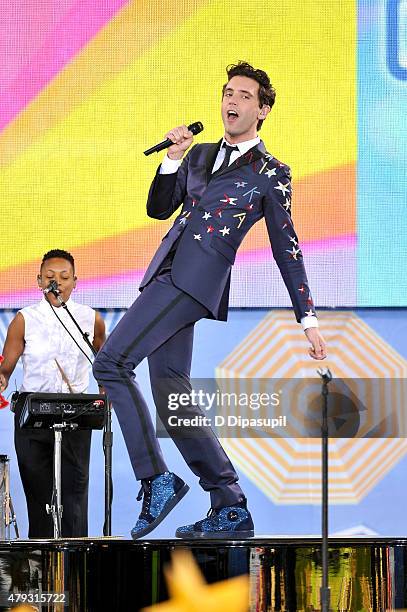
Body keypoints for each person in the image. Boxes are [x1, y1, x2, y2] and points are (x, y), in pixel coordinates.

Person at [93, 61, 326, 540]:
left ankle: (156, 478)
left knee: (111, 363)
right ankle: (229, 502)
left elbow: (288, 248)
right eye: (227, 93)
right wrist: (173, 159)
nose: (232, 102)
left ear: (261, 110)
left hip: (192, 282)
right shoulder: (197, 155)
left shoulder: (270, 173)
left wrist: (309, 320)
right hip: (166, 271)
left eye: (243, 96)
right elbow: (159, 209)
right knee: (170, 393)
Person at [0, 249, 105, 538]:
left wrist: (106, 397)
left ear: (75, 282)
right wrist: (2, 377)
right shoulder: (24, 319)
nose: (56, 282)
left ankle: (75, 569)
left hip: (77, 414)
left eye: (64, 277)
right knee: (39, 497)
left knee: (74, 497)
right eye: (49, 277)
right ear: (38, 281)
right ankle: (42, 571)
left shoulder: (90, 319)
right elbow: (6, 366)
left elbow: (106, 364)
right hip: (33, 414)